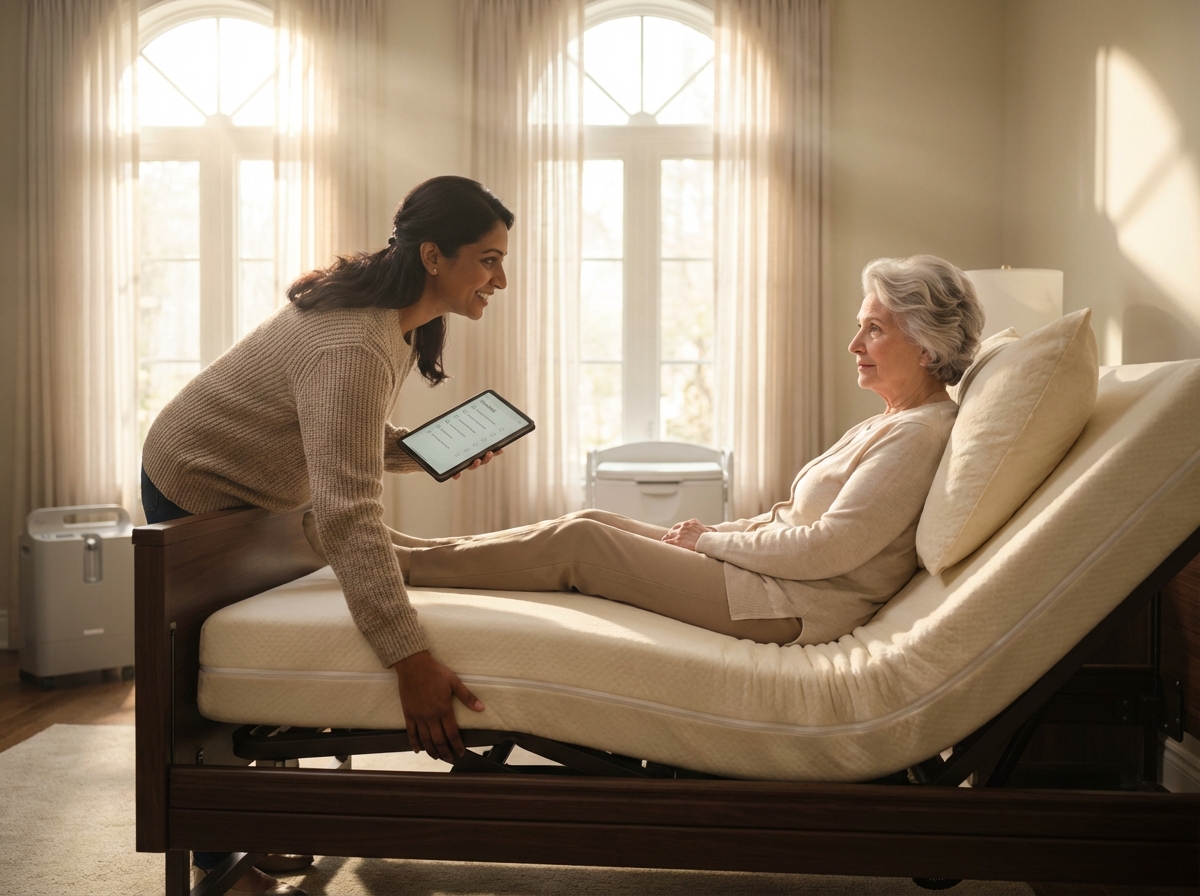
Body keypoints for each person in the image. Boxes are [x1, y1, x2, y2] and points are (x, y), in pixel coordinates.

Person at [364, 255, 983, 688]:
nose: (854, 345)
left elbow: (828, 546)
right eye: (860, 327)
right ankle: (421, 550)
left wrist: (710, 541)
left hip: (793, 605)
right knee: (593, 518)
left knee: (583, 544)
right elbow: (787, 520)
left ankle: (406, 567)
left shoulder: (917, 435)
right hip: (771, 581)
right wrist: (718, 537)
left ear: (927, 345)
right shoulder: (891, 421)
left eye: (874, 330)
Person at [141, 175, 512, 895]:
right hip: (196, 481)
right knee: (191, 672)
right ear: (434, 257)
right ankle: (216, 852)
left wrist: (421, 450)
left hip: (261, 488)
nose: (501, 280)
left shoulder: (393, 323)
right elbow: (348, 511)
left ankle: (257, 818)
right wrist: (409, 658)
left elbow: (340, 428)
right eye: (489, 260)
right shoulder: (355, 342)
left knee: (242, 645)